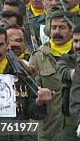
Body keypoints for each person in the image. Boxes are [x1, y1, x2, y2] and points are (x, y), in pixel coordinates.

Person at [0, 25, 51, 140]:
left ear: (7, 45)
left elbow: (35, 113)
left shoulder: (22, 71)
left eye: (0, 45)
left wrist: (39, 102)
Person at [29, 10, 75, 141]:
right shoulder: (38, 56)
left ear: (71, 31)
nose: (56, 32)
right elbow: (32, 95)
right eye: (54, 27)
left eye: (62, 27)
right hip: (49, 130)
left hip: (76, 130)